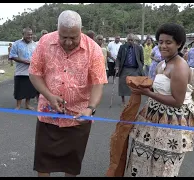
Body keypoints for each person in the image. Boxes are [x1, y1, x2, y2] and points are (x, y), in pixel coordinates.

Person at [28, 10, 107, 177]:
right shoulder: (44, 42)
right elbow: (34, 73)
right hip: (48, 114)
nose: (68, 42)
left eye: (73, 37)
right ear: (57, 29)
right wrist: (49, 95)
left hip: (78, 117)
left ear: (81, 30)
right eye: (63, 37)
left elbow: (98, 83)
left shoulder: (94, 50)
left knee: (71, 165)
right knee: (43, 163)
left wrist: (90, 108)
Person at [124, 23, 194, 177]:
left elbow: (177, 101)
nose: (163, 46)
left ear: (179, 44)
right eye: (160, 42)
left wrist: (148, 94)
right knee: (142, 158)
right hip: (153, 116)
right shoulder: (162, 64)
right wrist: (143, 88)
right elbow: (159, 89)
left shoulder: (180, 67)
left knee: (162, 166)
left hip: (173, 121)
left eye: (168, 42)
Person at [9, 27, 38, 110]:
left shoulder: (35, 45)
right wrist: (23, 61)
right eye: (28, 34)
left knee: (29, 89)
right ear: (23, 35)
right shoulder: (16, 44)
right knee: (19, 89)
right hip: (20, 71)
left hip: (31, 71)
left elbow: (37, 56)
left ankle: (27, 105)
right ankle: (18, 105)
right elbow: (12, 56)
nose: (30, 36)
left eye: (31, 34)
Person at [115, 33, 144, 106]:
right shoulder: (122, 47)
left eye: (131, 40)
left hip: (135, 69)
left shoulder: (139, 48)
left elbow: (141, 60)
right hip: (124, 68)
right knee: (122, 84)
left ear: (134, 40)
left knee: (134, 86)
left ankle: (132, 101)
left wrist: (139, 68)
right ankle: (123, 101)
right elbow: (118, 58)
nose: (130, 41)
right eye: (129, 40)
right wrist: (117, 66)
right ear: (127, 40)